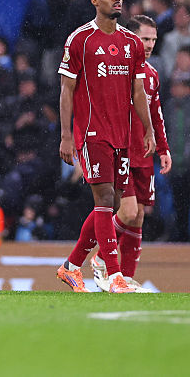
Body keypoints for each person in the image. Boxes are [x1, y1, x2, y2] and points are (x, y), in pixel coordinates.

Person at [56, 0, 154, 293]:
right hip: (91, 131)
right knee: (106, 199)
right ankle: (114, 277)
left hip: (122, 135)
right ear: (94, 1)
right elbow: (66, 90)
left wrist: (148, 128)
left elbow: (138, 91)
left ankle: (71, 267)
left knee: (108, 206)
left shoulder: (132, 43)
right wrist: (67, 136)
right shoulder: (80, 39)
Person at [89, 15, 171, 291]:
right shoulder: (117, 70)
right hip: (121, 150)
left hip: (143, 153)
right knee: (129, 211)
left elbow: (157, 115)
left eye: (152, 40)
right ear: (131, 38)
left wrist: (163, 148)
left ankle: (124, 277)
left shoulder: (152, 75)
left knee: (138, 216)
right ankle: (102, 259)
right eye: (144, 38)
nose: (148, 45)